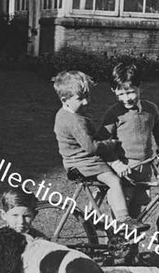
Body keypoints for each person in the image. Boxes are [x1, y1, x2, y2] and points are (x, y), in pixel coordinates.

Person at [52, 70, 148, 231]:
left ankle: (92, 214)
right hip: (84, 162)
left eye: (87, 97)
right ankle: (124, 219)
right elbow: (92, 147)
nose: (86, 102)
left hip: (77, 160)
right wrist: (111, 143)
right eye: (80, 99)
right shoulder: (75, 121)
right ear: (65, 99)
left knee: (107, 181)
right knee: (114, 181)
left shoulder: (64, 114)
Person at [99, 62, 159, 218]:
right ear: (114, 91)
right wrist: (115, 163)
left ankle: (133, 243)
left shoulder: (151, 109)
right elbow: (101, 143)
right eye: (120, 94)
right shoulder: (114, 113)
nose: (126, 99)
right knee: (121, 217)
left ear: (140, 87)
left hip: (144, 168)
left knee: (137, 215)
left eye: (130, 92)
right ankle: (114, 241)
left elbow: (158, 130)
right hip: (124, 172)